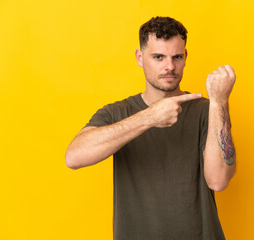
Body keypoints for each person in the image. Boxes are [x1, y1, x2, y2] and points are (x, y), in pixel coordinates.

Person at [65, 16, 236, 240]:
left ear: (185, 57)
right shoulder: (119, 112)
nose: (169, 67)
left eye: (176, 57)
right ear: (139, 57)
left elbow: (218, 180)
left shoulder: (207, 109)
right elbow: (74, 157)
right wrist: (148, 118)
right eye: (158, 57)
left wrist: (220, 101)